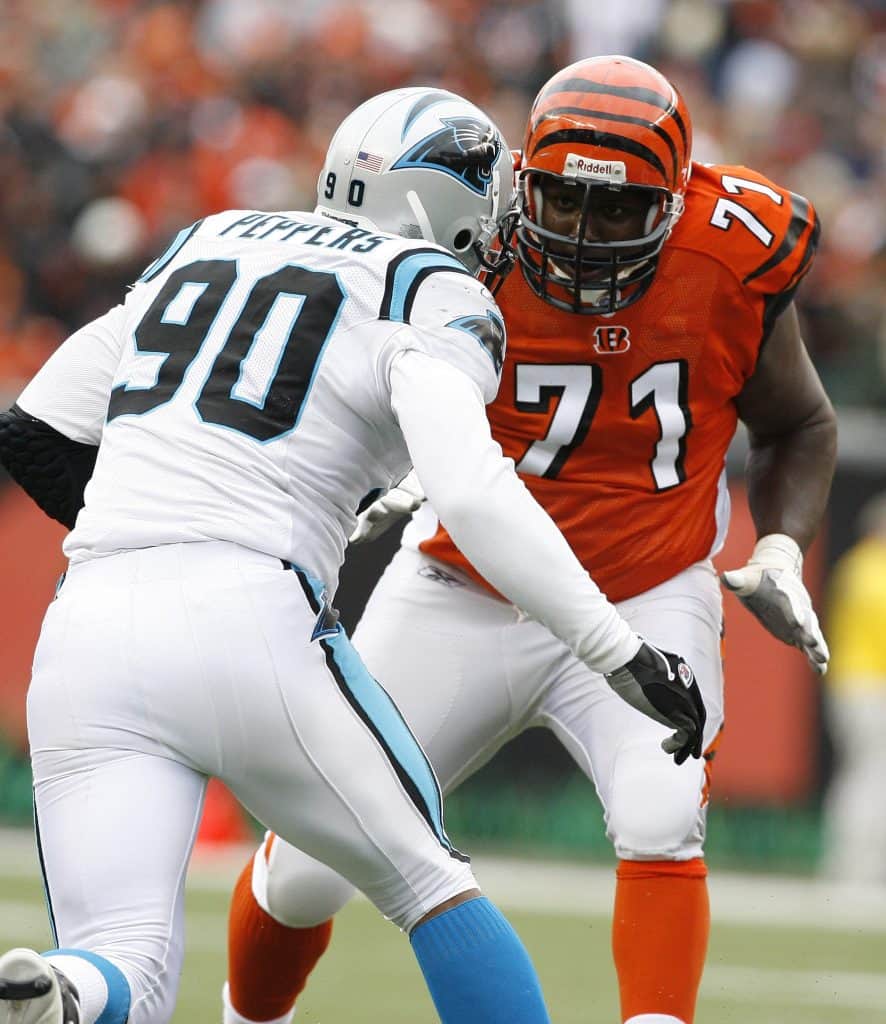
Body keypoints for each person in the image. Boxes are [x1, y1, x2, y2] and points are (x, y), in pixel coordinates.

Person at [0, 86, 706, 1024]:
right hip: (253, 607)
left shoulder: (211, 238)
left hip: (89, 621)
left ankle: (60, 992)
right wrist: (618, 651)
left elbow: (34, 429)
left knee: (121, 958)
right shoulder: (430, 286)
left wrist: (157, 519)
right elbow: (474, 495)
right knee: (430, 885)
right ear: (449, 207)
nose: (500, 237)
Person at [220, 56, 836, 1024]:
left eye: (622, 211)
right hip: (459, 585)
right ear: (521, 183)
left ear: (677, 203)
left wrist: (781, 549)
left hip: (646, 586)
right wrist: (412, 468)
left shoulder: (732, 255)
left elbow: (800, 421)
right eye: (560, 200)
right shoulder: (466, 237)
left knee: (661, 813)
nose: (585, 237)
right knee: (307, 865)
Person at [820, 492, 886, 885]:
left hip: (849, 685)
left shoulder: (854, 565)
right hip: (870, 687)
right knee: (870, 778)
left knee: (859, 775)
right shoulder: (874, 573)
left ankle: (852, 867)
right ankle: (857, 871)